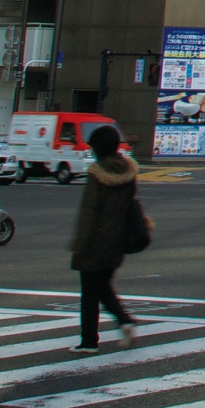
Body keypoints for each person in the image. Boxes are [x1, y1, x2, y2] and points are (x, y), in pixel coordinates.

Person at [70, 124, 140, 354]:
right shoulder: (128, 172)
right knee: (101, 285)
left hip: (96, 239)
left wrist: (80, 244)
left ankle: (95, 336)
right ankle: (109, 329)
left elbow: (90, 211)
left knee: (92, 290)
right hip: (118, 238)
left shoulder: (97, 172)